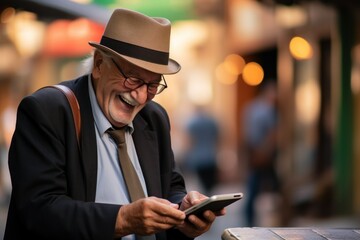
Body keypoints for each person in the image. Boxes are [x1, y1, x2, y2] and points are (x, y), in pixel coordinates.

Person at [4, 8, 225, 240]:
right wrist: (123, 218)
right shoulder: (48, 110)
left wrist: (185, 210)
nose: (141, 96)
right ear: (99, 64)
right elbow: (39, 210)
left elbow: (171, 188)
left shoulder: (154, 117)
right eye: (134, 79)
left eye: (152, 85)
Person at [242, 80, 280, 227]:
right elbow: (272, 134)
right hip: (262, 154)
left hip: (254, 152)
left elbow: (247, 133)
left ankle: (249, 219)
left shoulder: (250, 107)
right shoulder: (268, 110)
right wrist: (265, 152)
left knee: (255, 188)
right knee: (259, 187)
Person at [183, 105, 220, 195]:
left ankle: (206, 197)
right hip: (211, 156)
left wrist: (187, 155)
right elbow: (218, 138)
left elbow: (190, 141)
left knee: (202, 183)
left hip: (198, 158)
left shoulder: (193, 123)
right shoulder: (212, 122)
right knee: (210, 183)